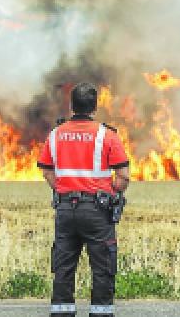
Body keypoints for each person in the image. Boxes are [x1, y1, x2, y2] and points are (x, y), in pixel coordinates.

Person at [37, 82, 130, 317]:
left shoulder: (55, 134)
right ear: (94, 107)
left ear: (72, 106)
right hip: (97, 210)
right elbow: (123, 175)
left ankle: (61, 313)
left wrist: (62, 188)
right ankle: (100, 313)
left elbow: (47, 169)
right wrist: (112, 192)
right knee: (102, 268)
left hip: (66, 208)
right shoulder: (106, 135)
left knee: (63, 268)